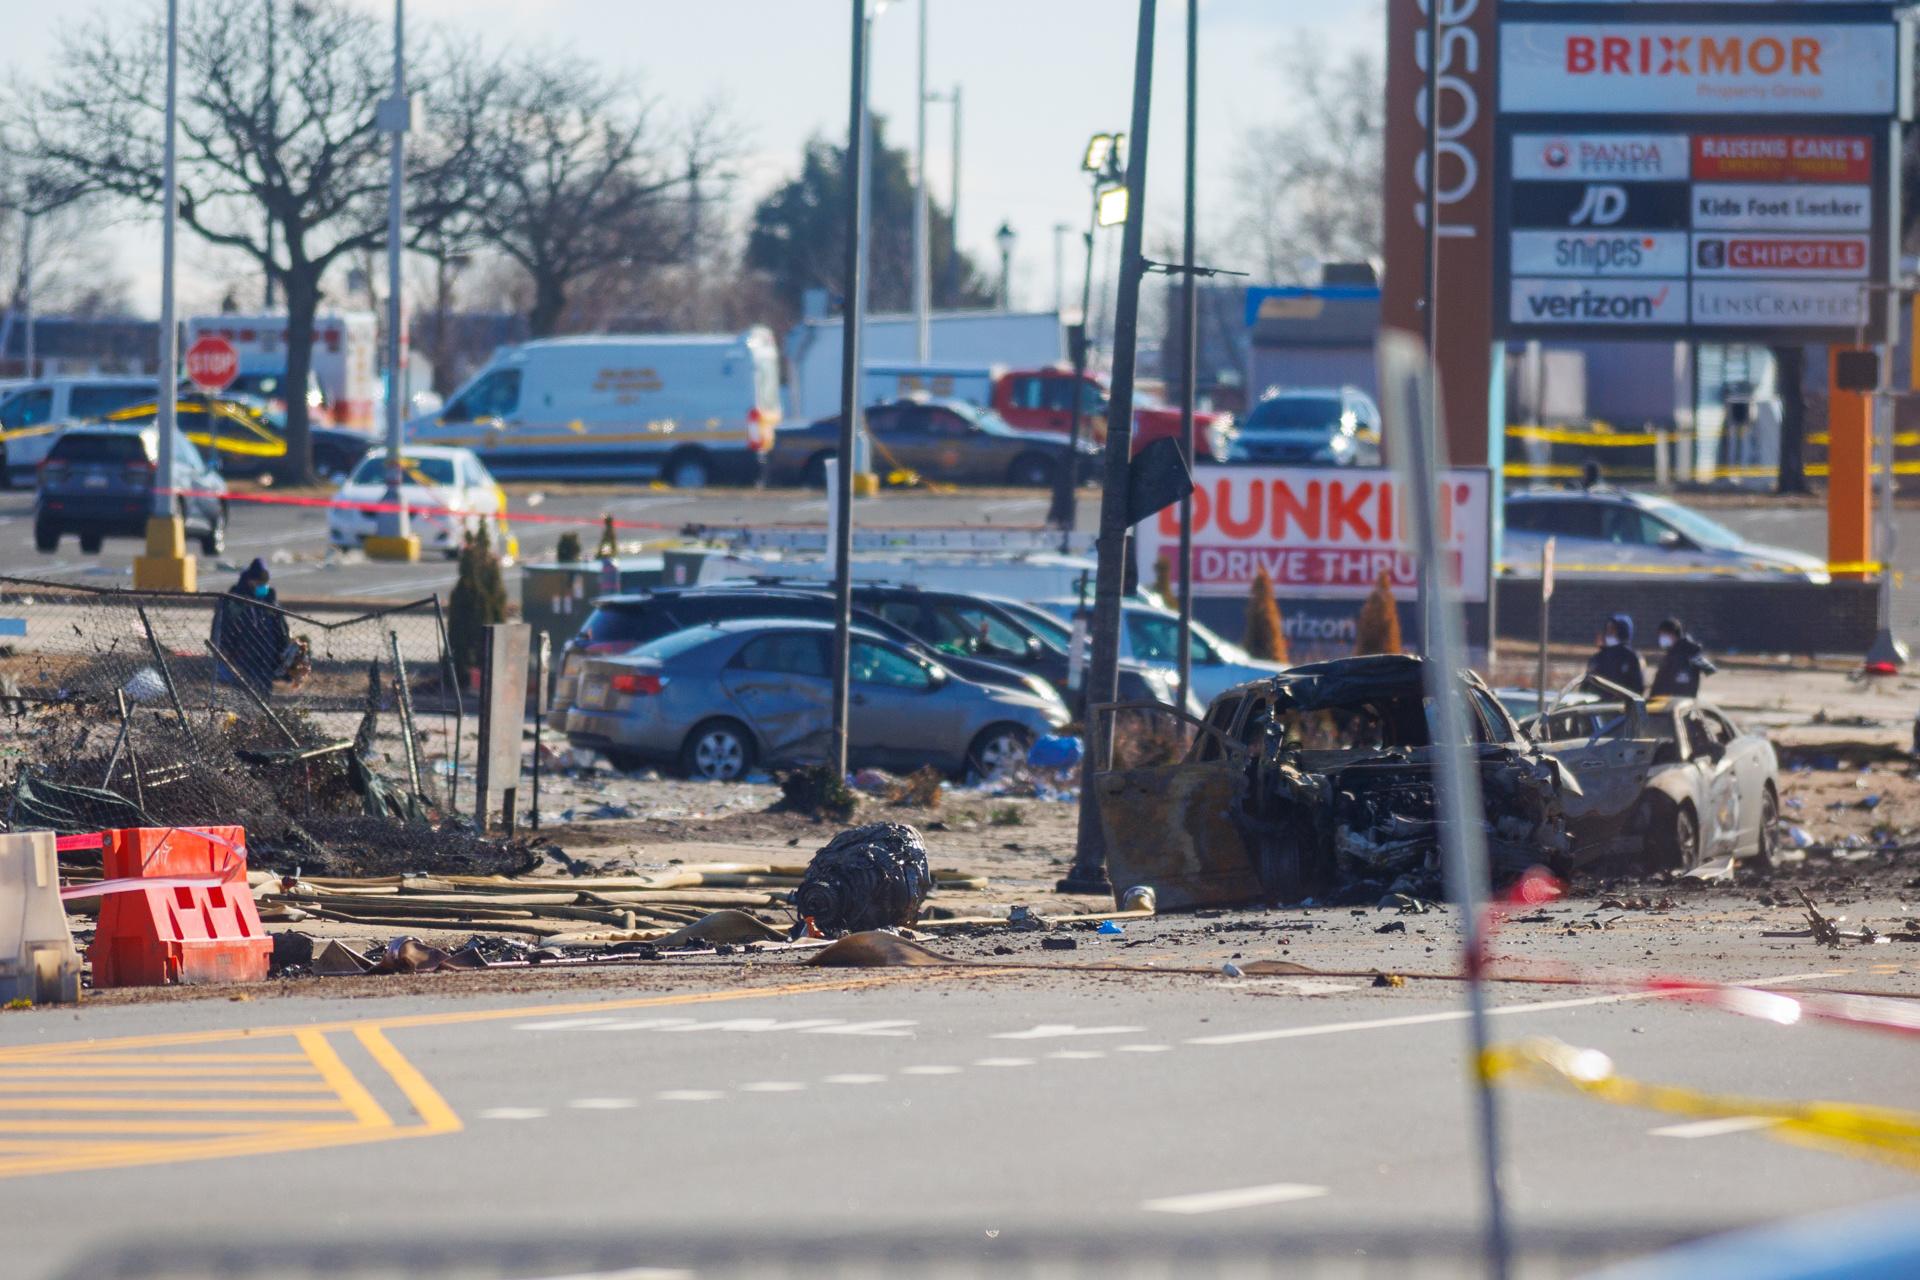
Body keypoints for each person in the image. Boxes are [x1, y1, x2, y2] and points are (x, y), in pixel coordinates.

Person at [210, 558, 290, 694]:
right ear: (250, 581)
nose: (262, 586)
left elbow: (281, 628)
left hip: (266, 654)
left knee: (264, 691)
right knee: (242, 692)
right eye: (259, 582)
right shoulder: (236, 599)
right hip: (242, 654)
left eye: (264, 583)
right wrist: (225, 650)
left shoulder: (269, 599)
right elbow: (224, 626)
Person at [1649, 616, 1716, 699]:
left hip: (1680, 703)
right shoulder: (1672, 653)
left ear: (1673, 634)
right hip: (1665, 701)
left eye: (1663, 634)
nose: (1661, 638)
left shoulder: (1689, 652)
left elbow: (1710, 669)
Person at [1585, 613, 1644, 694]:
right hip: (1596, 705)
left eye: (1612, 630)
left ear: (1623, 632)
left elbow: (1637, 688)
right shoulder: (1597, 658)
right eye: (1607, 630)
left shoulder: (1632, 658)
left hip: (1619, 705)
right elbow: (1586, 685)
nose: (1608, 633)